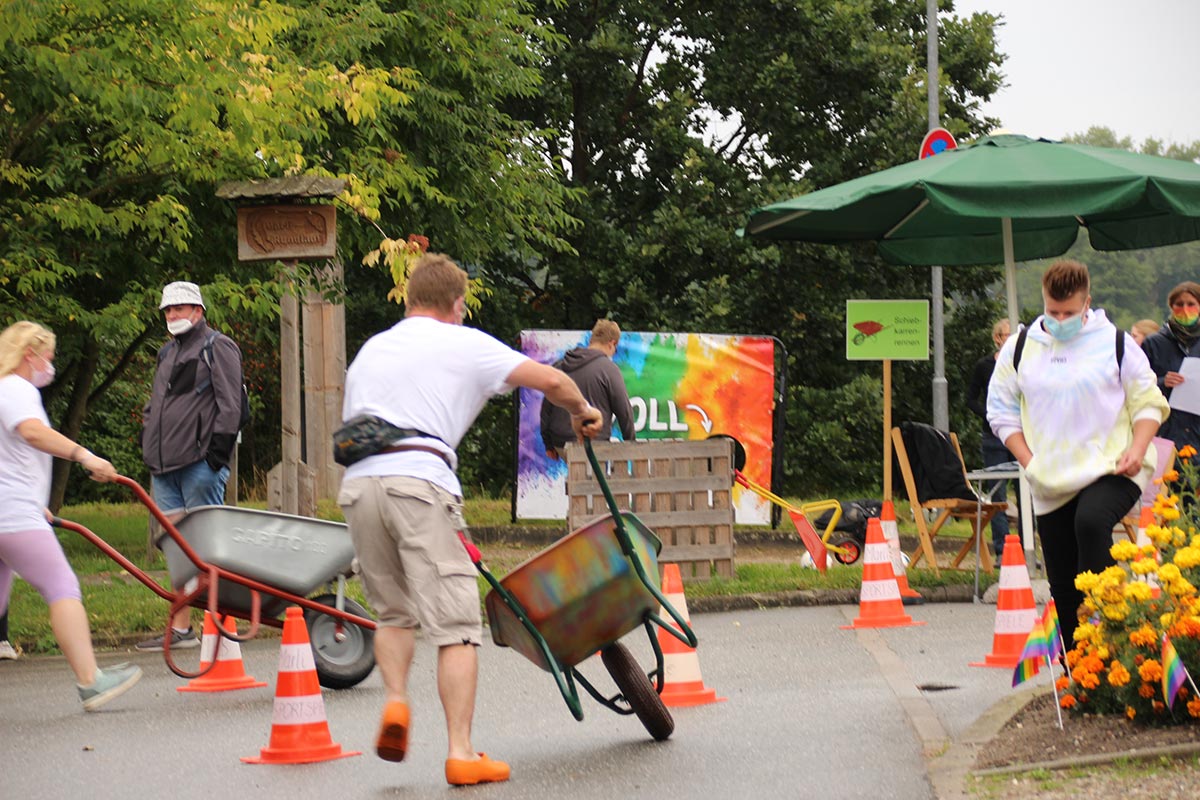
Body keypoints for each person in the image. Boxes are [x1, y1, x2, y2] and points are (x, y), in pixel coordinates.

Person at [338, 253, 602, 786]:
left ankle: (395, 701)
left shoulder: (373, 348)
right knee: (456, 626)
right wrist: (582, 412)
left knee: (393, 614)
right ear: (456, 305)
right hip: (421, 481)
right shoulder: (464, 341)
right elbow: (550, 380)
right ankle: (460, 752)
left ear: (410, 300)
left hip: (358, 486)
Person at [987, 260, 1168, 647]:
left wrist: (1137, 448)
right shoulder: (1021, 347)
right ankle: (1078, 667)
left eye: (1070, 312)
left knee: (1089, 522)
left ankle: (1110, 620)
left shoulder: (1115, 342)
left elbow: (1149, 402)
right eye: (1053, 311)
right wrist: (1029, 462)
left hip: (1115, 465)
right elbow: (999, 410)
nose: (1061, 319)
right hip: (1050, 476)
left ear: (1088, 303)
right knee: (1064, 584)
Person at [0, 321, 142, 709]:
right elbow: (31, 433)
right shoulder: (17, 389)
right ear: (29, 354)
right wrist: (83, 454)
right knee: (62, 586)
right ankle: (90, 680)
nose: (51, 364)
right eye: (48, 356)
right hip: (12, 516)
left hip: (12, 509)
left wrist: (34, 499)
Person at [136, 281, 244, 651]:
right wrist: (147, 439)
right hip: (164, 467)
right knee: (178, 551)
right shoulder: (166, 353)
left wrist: (215, 456)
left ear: (197, 310)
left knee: (206, 549)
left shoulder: (218, 346)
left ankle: (221, 629)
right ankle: (181, 629)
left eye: (179, 309)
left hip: (200, 464)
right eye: (168, 310)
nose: (172, 315)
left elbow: (231, 406)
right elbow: (155, 405)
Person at [539, 319, 635, 460]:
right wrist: (631, 444)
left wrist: (548, 444)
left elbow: (546, 407)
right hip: (594, 442)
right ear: (612, 343)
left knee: (576, 478)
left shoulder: (560, 365)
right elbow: (624, 412)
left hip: (560, 442)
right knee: (594, 480)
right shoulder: (609, 369)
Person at [965, 318, 1016, 559]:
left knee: (1028, 493)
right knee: (998, 495)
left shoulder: (1024, 362)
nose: (1012, 339)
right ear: (997, 338)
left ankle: (1028, 549)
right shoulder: (984, 366)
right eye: (1007, 335)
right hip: (993, 434)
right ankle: (1002, 550)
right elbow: (970, 398)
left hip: (1021, 435)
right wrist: (989, 414)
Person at [1142, 282, 1200, 457]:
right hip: (1165, 431)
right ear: (1171, 307)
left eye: (1191, 304)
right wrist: (1162, 382)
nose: (1185, 309)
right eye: (1179, 304)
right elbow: (1137, 385)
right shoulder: (1153, 343)